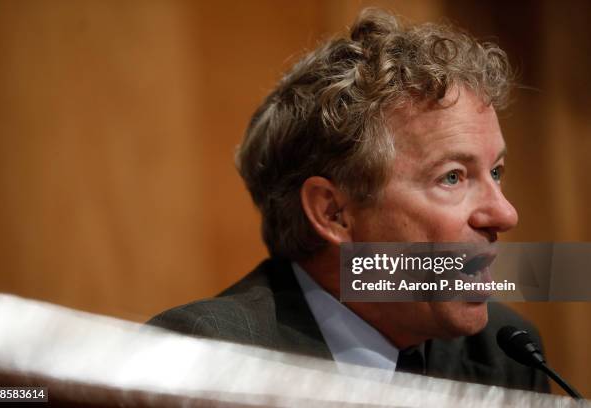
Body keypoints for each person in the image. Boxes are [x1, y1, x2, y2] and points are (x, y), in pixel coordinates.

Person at [149, 8, 550, 393]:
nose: (504, 213)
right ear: (333, 212)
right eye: (452, 177)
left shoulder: (505, 355)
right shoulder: (207, 357)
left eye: (496, 171)